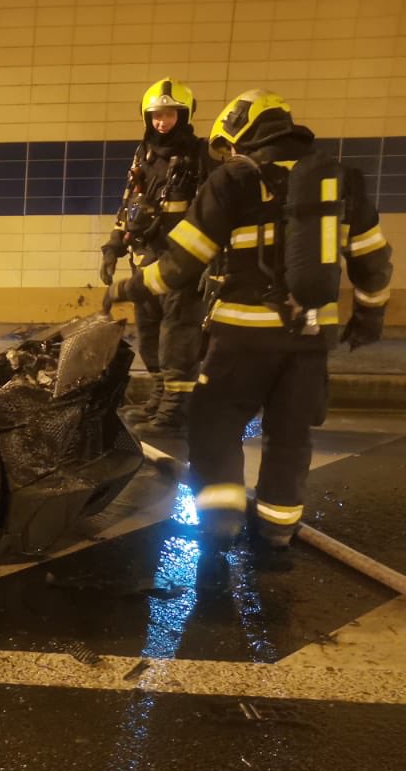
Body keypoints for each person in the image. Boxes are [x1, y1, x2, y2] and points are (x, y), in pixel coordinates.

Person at [119, 89, 393, 562]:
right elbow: (373, 259)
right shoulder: (342, 179)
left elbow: (181, 263)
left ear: (242, 133)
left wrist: (129, 289)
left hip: (241, 338)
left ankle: (222, 522)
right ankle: (276, 532)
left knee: (214, 425)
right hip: (310, 338)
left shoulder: (232, 180)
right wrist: (368, 315)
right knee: (290, 437)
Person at [100, 78, 214, 435]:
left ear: (184, 114)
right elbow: (129, 205)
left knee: (177, 338)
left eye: (169, 114)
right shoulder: (143, 154)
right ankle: (160, 398)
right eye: (155, 115)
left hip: (181, 265)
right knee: (149, 336)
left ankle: (175, 414)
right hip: (145, 261)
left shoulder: (201, 155)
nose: (161, 122)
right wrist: (113, 247)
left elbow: (213, 213)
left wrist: (211, 263)